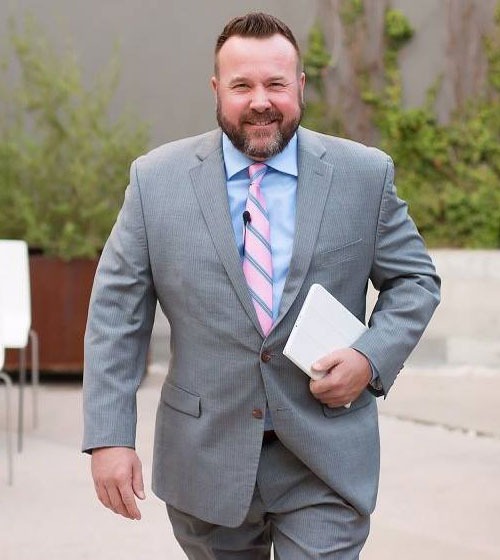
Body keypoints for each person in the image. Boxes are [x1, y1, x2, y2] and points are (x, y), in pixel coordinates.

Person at [83, 12, 440, 559]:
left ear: (300, 85)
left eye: (276, 84)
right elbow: (116, 314)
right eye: (241, 86)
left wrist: (370, 358)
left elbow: (415, 279)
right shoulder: (155, 182)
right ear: (215, 89)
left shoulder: (364, 176)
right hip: (205, 461)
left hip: (325, 460)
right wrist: (110, 437)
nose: (260, 101)